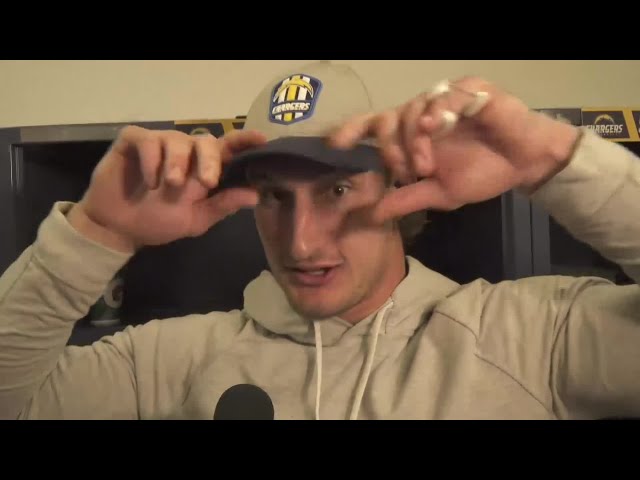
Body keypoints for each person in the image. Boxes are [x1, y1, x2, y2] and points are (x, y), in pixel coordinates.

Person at [0, 60, 638, 420]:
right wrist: (97, 233)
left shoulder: (532, 337)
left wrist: (553, 160)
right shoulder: (170, 360)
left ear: (396, 183)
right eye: (274, 197)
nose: (301, 245)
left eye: (335, 190)